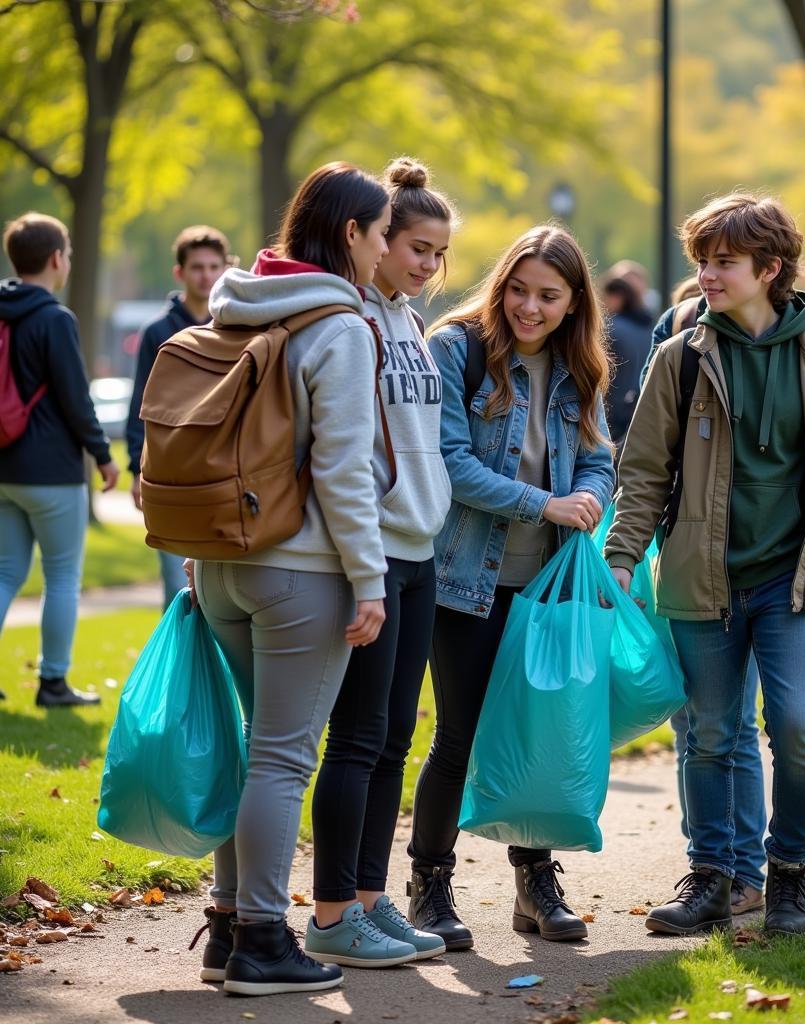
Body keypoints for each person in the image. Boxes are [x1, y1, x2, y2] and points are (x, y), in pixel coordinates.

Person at [605, 192, 805, 937]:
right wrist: (623, 556)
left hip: (793, 577)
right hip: (702, 578)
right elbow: (642, 472)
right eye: (701, 260)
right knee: (709, 732)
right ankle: (713, 876)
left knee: (797, 726)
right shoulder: (680, 357)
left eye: (722, 261)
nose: (705, 274)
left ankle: (788, 874)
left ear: (769, 269)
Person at [186, 161, 392, 997]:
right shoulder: (337, 326)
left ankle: (229, 924)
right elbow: (343, 470)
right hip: (301, 569)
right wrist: (369, 578)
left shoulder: (234, 307)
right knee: (281, 760)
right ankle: (266, 944)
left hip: (222, 563)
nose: (382, 253)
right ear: (351, 233)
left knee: (250, 753)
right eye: (381, 235)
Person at [406, 225, 615, 950]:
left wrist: (587, 493)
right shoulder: (456, 350)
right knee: (460, 737)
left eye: (548, 296)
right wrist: (544, 504)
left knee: (535, 737)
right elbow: (448, 463)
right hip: (465, 581)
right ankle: (429, 887)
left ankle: (535, 884)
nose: (530, 307)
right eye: (518, 290)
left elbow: (598, 455)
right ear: (501, 285)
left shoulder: (577, 365)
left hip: (546, 588)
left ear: (572, 301)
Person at [306, 158, 457, 968]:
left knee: (396, 734)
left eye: (439, 253)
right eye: (416, 248)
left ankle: (369, 900)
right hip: (371, 553)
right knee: (357, 738)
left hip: (420, 549)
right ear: (374, 240)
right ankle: (331, 915)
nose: (428, 266)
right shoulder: (348, 316)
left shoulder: (406, 322)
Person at [644, 273, 766, 919]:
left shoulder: (788, 348)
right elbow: (651, 453)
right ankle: (715, 864)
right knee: (699, 723)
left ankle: (738, 870)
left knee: (729, 726)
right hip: (689, 560)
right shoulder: (680, 338)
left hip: (756, 564)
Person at [0, 212, 119, 708]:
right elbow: (75, 397)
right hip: (52, 472)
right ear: (56, 259)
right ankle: (53, 682)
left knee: (5, 573)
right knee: (63, 575)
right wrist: (103, 455)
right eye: (67, 254)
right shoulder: (54, 318)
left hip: (3, 468)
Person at [127, 226, 232, 607]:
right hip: (170, 473)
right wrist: (135, 470)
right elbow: (140, 404)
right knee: (178, 586)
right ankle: (180, 665)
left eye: (213, 267)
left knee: (225, 587)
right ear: (180, 273)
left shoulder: (237, 327)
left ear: (226, 268)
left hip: (223, 473)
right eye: (197, 267)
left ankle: (215, 666)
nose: (206, 275)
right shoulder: (156, 331)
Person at [601, 274, 652, 447]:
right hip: (639, 410)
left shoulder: (611, 328)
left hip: (611, 412)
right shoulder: (648, 329)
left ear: (616, 297)